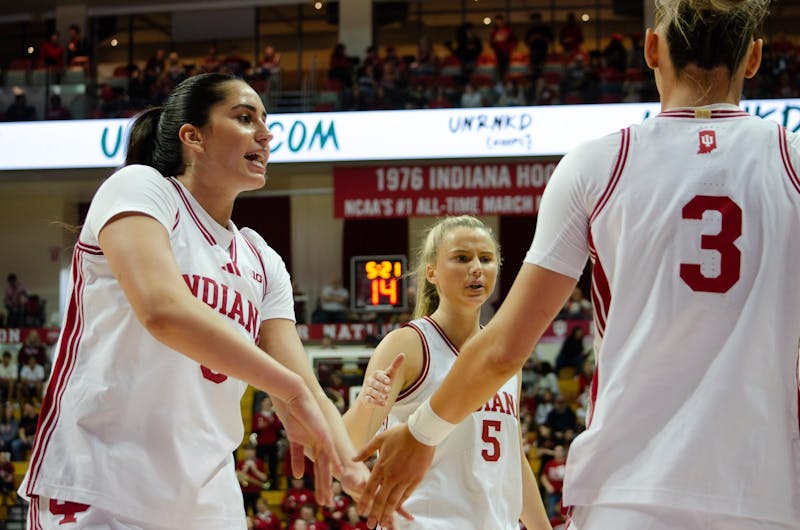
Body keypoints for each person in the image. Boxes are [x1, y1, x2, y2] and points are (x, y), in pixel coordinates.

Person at [355, 1, 800, 529]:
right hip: (766, 493)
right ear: (753, 58)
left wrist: (422, 432)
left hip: (626, 495)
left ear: (651, 49)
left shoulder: (598, 164)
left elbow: (502, 350)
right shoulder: (793, 161)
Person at [18, 72, 372, 529]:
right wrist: (288, 388)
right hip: (101, 484)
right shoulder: (141, 189)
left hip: (208, 501)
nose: (265, 134)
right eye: (244, 118)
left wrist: (354, 469)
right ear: (192, 136)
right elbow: (163, 311)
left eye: (266, 122)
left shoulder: (262, 259)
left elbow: (304, 384)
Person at [344, 216, 550, 529]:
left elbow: (514, 460)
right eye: (462, 258)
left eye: (486, 258)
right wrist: (365, 404)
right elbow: (348, 446)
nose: (477, 268)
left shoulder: (504, 357)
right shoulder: (408, 344)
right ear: (432, 272)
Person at [489, 14, 518, 81]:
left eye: (499, 21)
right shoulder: (494, 32)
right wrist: (494, 43)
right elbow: (491, 43)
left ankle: (504, 82)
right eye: (497, 21)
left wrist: (510, 48)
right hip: (498, 53)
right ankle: (499, 83)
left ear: (502, 21)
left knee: (505, 69)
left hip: (506, 53)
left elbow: (514, 41)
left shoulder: (508, 31)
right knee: (499, 69)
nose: (498, 22)